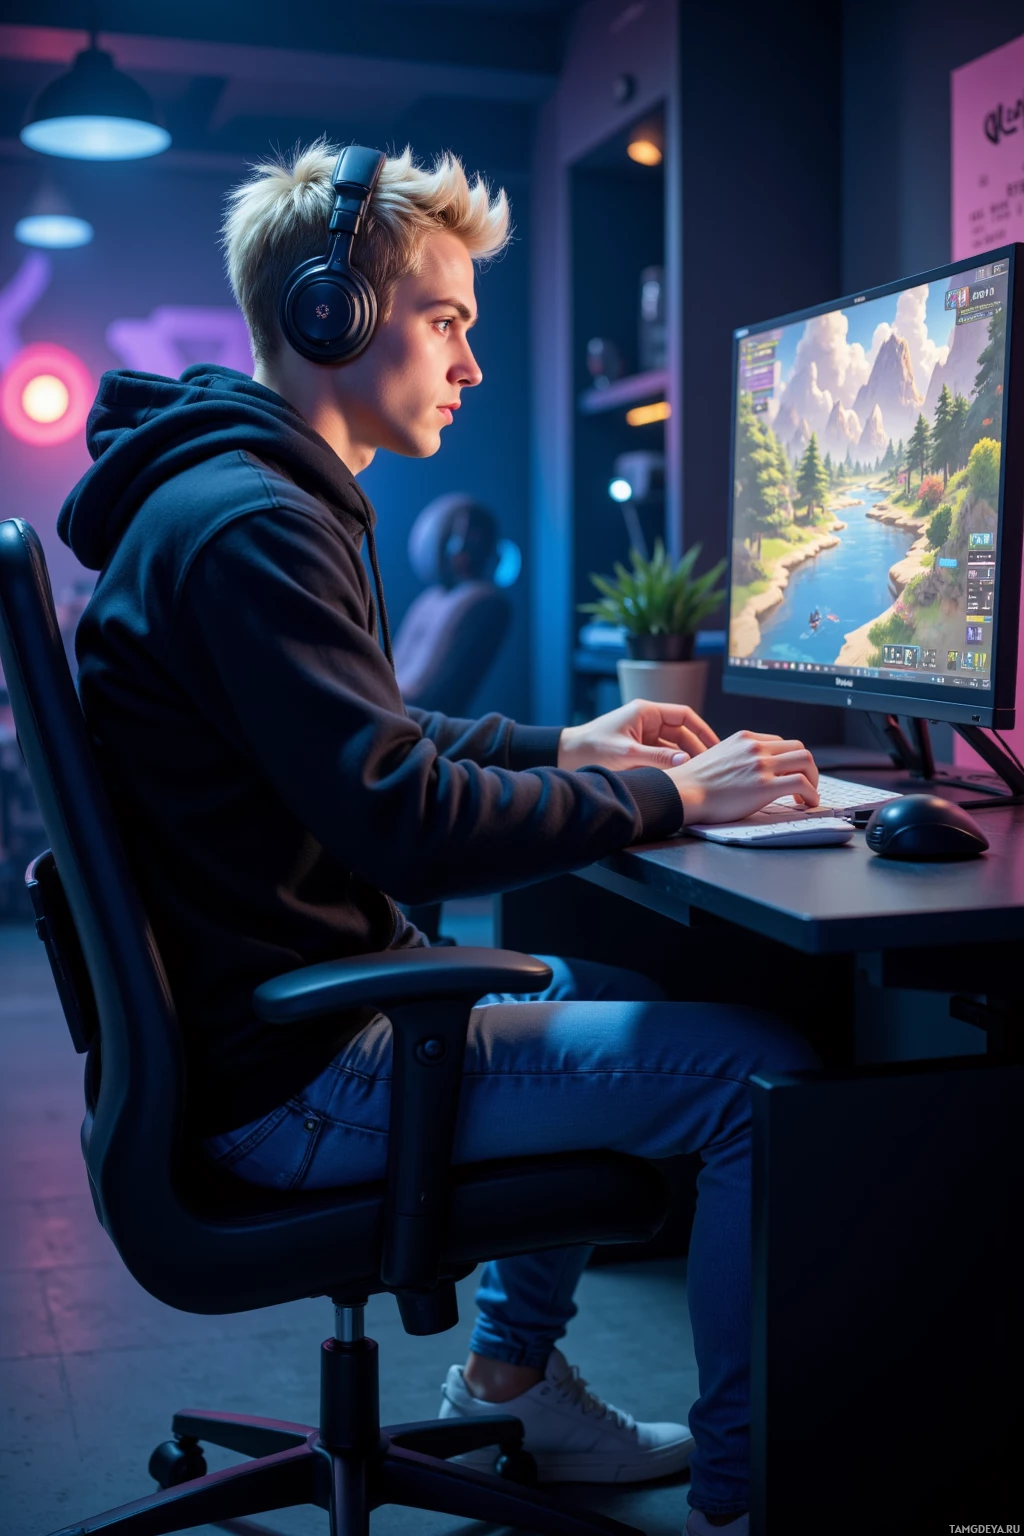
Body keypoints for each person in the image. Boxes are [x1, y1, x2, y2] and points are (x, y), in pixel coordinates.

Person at [58, 141, 821, 1535]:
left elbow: (372, 745)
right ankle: (752, 1499)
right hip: (298, 1083)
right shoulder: (254, 526)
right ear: (327, 315)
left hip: (258, 1043)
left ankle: (511, 1377)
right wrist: (672, 798)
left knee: (614, 998)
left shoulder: (235, 496)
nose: (468, 366)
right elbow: (400, 820)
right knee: (760, 1080)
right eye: (446, 320)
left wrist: (570, 750)